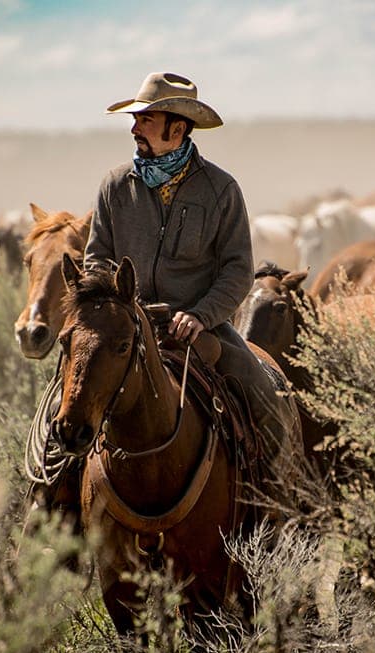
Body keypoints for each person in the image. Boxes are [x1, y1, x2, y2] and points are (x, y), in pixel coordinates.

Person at [84, 71, 295, 472]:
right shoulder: (114, 186)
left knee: (266, 403)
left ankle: (269, 512)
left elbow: (237, 270)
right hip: (124, 328)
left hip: (203, 330)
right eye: (136, 119)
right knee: (64, 408)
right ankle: (48, 501)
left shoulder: (220, 190)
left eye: (145, 120)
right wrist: (118, 310)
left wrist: (201, 315)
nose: (134, 129)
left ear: (177, 128)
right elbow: (96, 259)